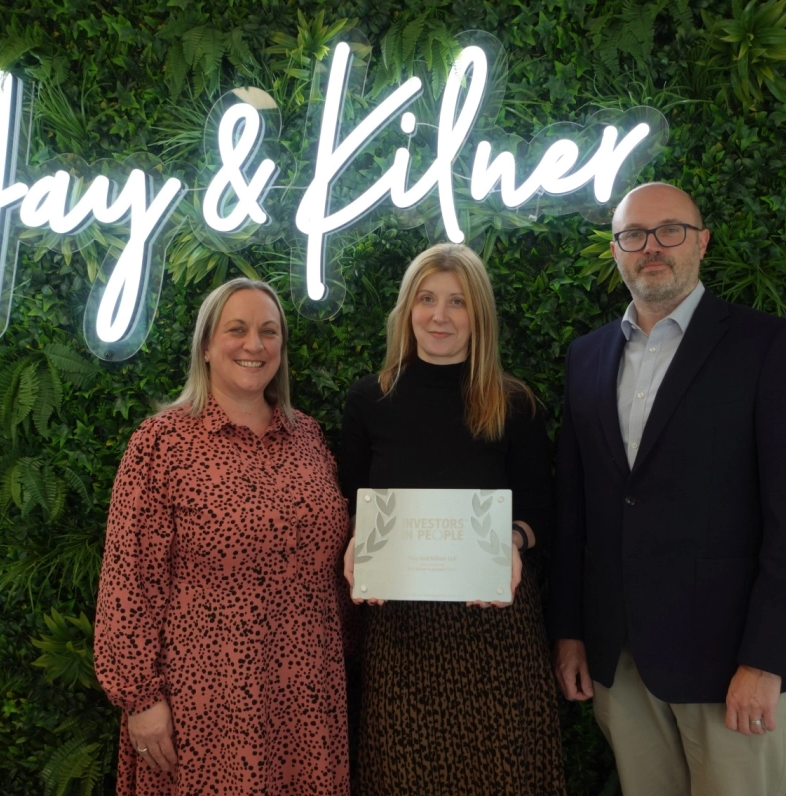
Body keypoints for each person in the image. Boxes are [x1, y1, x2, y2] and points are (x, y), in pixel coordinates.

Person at [549, 182, 786, 796]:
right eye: (633, 234)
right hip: (619, 656)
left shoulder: (767, 346)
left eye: (669, 230)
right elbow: (575, 510)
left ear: (701, 242)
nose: (651, 246)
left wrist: (768, 659)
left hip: (729, 662)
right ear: (615, 250)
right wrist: (571, 632)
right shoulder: (586, 357)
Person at [94, 278, 350, 795]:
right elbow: (127, 583)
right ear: (206, 347)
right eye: (237, 329)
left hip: (307, 697)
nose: (255, 344)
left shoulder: (309, 438)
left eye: (269, 331)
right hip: (204, 701)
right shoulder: (161, 444)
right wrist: (141, 700)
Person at [340, 243, 567, 795]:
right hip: (400, 631)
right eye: (427, 299)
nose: (439, 316)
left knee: (506, 777)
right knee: (403, 777)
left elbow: (539, 509)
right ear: (407, 310)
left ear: (478, 315)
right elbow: (352, 503)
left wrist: (513, 541)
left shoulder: (513, 403)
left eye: (457, 302)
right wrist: (354, 544)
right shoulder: (369, 400)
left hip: (493, 626)